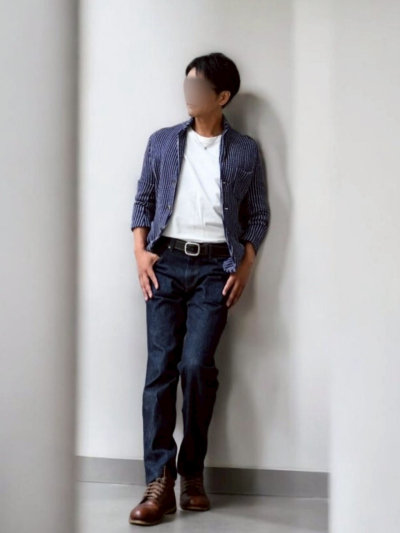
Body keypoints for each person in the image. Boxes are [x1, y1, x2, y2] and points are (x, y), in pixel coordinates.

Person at [128, 52, 270, 526]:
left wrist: (244, 266)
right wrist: (140, 253)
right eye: (186, 84)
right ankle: (158, 481)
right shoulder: (163, 141)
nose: (188, 94)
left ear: (222, 96)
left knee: (195, 366)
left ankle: (192, 472)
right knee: (159, 370)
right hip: (165, 263)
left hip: (215, 269)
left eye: (198, 88)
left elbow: (258, 214)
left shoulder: (245, 150)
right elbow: (144, 199)